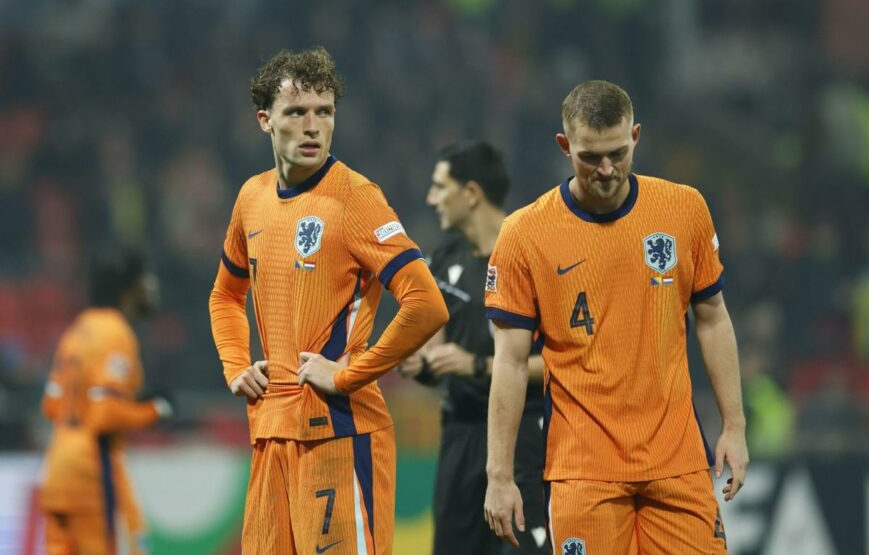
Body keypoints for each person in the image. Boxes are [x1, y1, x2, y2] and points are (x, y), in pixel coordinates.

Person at [483, 80, 748, 554]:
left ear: (637, 137)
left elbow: (712, 319)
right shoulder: (525, 234)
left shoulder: (684, 209)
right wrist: (499, 475)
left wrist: (735, 426)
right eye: (590, 157)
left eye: (618, 153)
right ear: (564, 146)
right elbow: (509, 361)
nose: (606, 170)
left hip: (678, 461)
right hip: (583, 470)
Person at [208, 47, 448, 555]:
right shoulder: (250, 197)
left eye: (325, 112)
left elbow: (426, 303)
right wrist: (234, 365)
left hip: (340, 435)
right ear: (264, 121)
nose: (313, 126)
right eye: (296, 113)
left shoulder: (356, 198)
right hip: (271, 434)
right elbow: (226, 294)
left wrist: (347, 375)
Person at [398, 141, 549, 555]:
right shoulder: (441, 262)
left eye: (439, 186)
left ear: (471, 193)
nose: (431, 198)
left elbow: (561, 363)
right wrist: (420, 362)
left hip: (527, 437)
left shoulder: (533, 256)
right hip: (461, 434)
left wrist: (476, 365)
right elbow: (433, 351)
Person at [40, 247, 172, 555]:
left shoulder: (78, 330)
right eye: (145, 279)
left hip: (57, 469)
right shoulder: (116, 333)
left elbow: (51, 405)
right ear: (128, 288)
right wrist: (154, 410)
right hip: (91, 473)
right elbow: (104, 415)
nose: (151, 288)